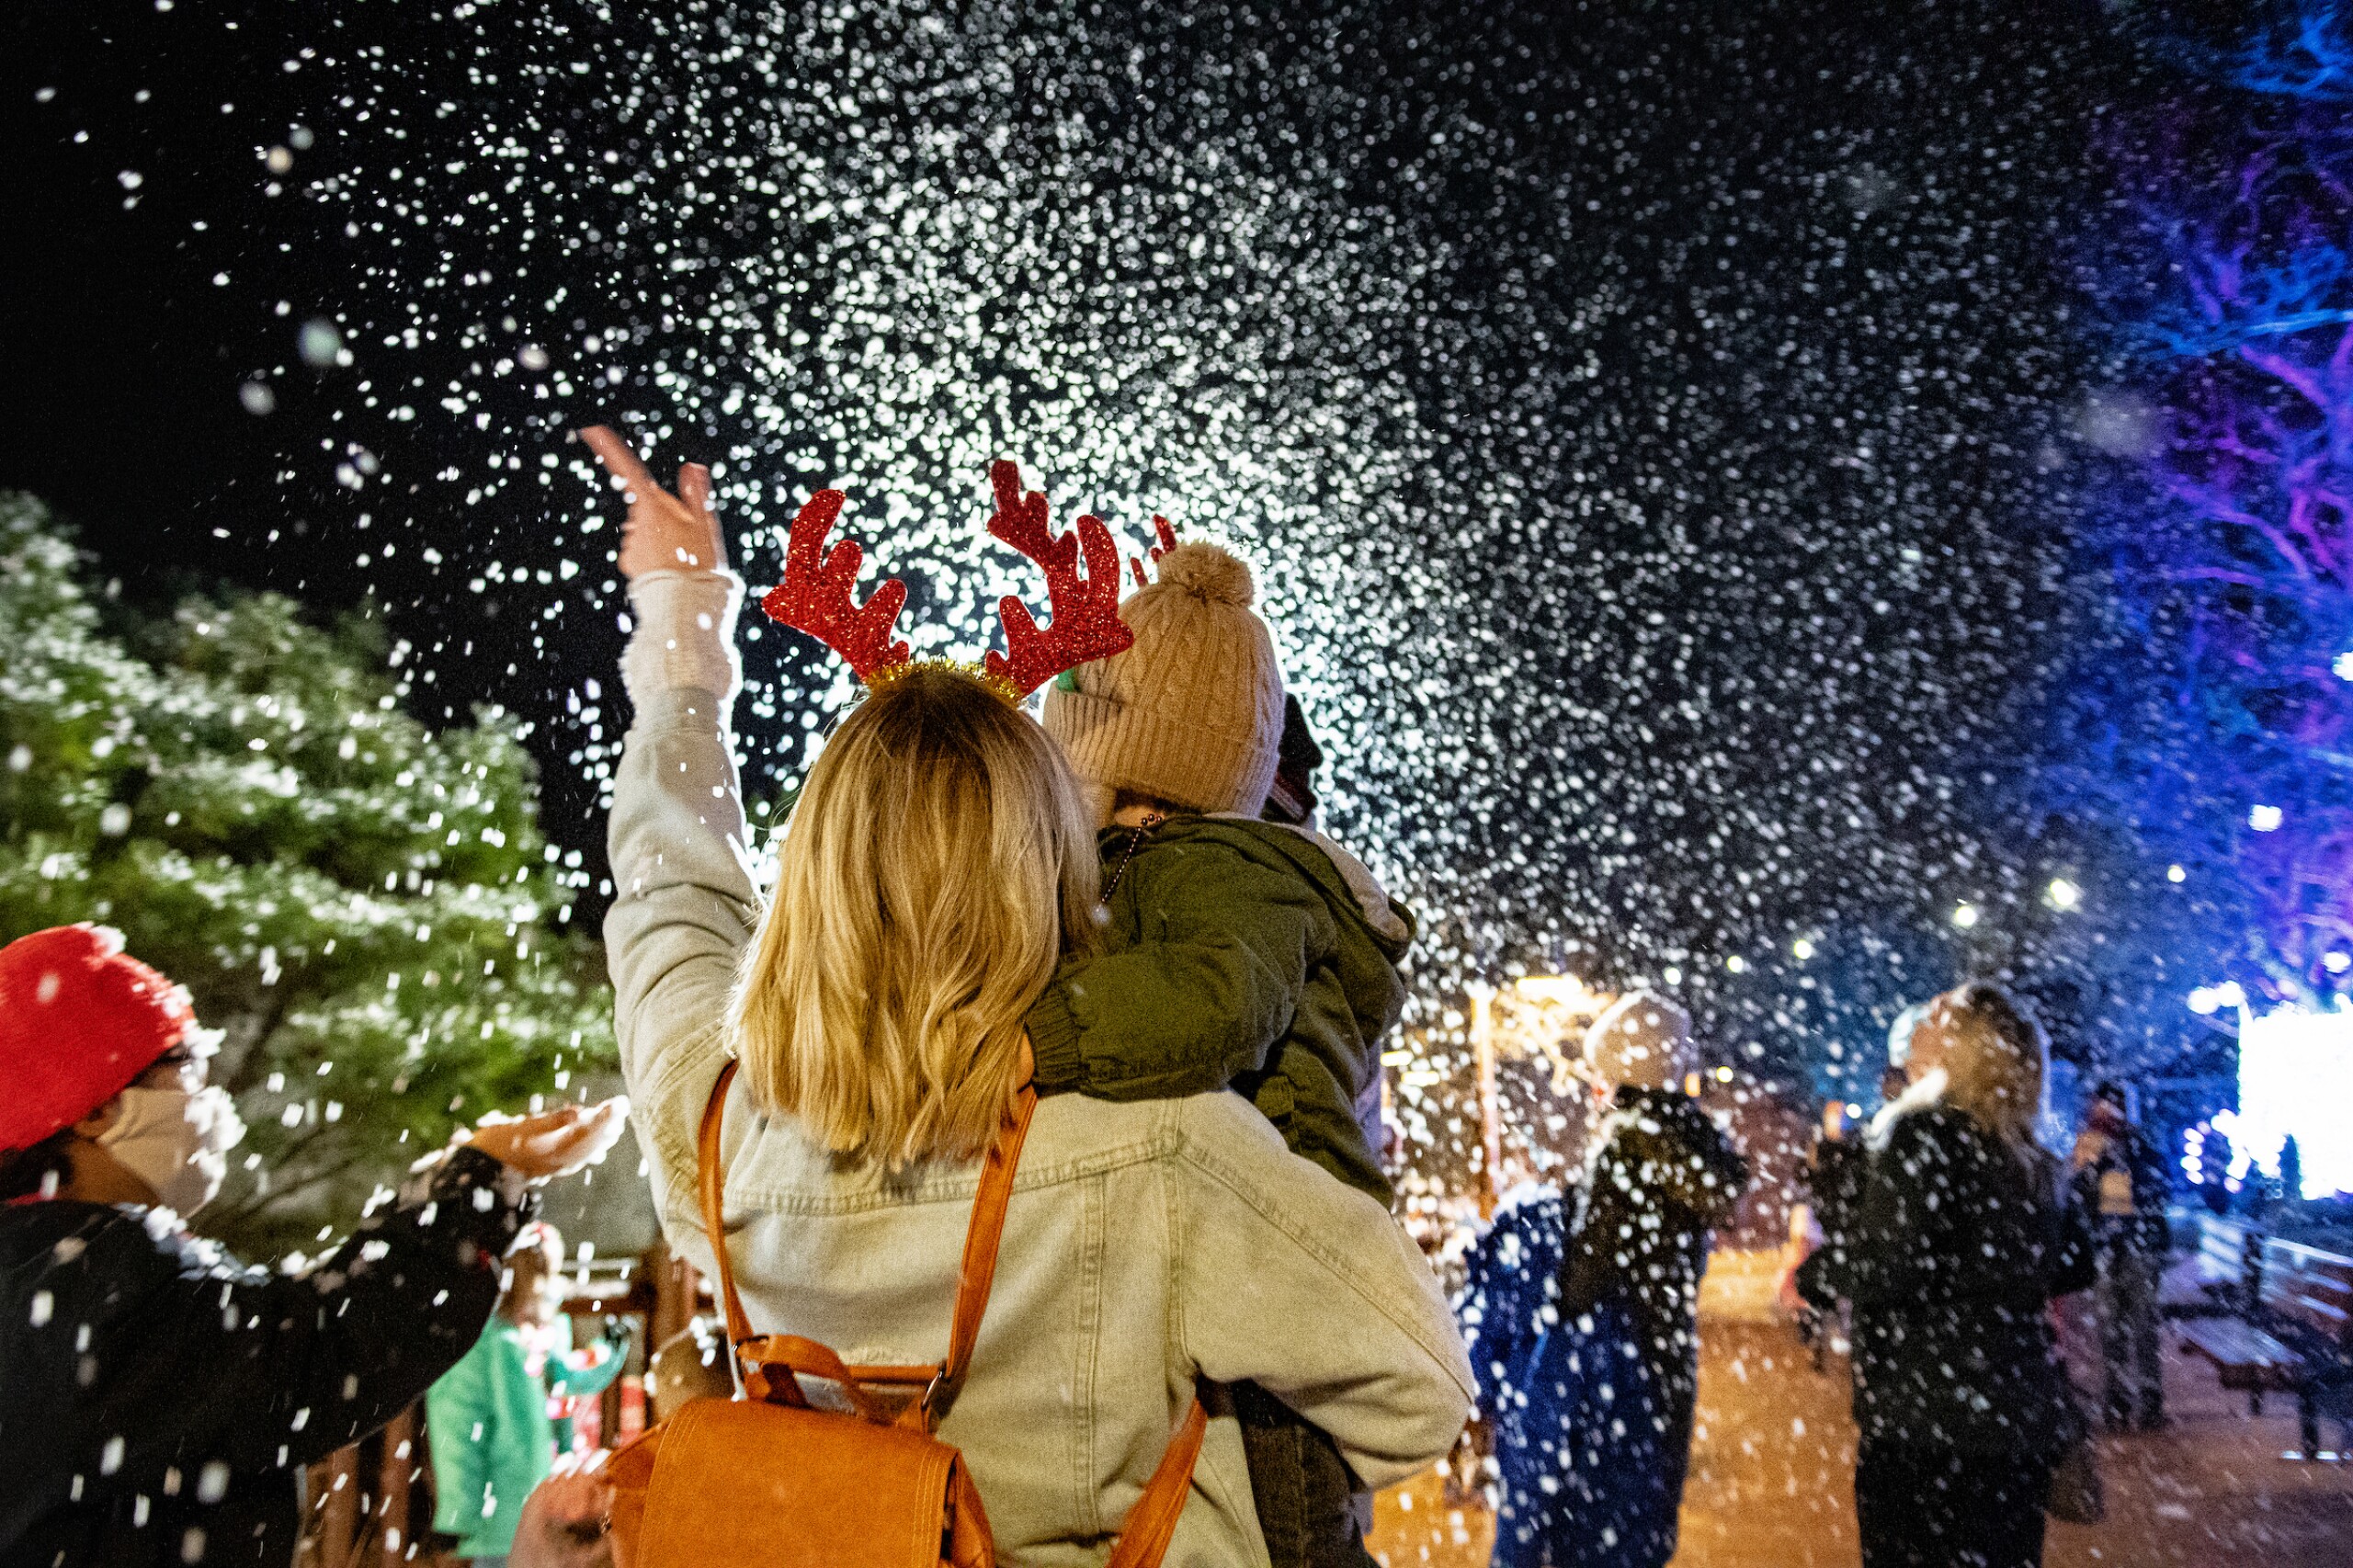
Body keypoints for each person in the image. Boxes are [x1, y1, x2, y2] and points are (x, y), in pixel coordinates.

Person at [583, 427, 1472, 1566]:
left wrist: (684, 633)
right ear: (1051, 874)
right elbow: (1421, 1395)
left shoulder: (710, 1129)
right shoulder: (1172, 1150)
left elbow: (668, 889)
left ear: (809, 880)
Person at [0, 922, 627, 1568]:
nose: (212, 1102)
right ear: (96, 1108)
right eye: (185, 1066)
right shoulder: (91, 1284)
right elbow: (323, 1345)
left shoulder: (44, 1264)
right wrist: (481, 1183)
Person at [1025, 529, 1415, 1567]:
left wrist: (1026, 1041)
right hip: (1236, 1258)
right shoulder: (1173, 864)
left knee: (1293, 1526)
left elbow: (1211, 1006)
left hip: (1286, 1265)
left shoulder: (1223, 872)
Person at [1798, 982, 2097, 1568]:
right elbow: (2072, 1263)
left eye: (1929, 1027)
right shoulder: (2028, 1151)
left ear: (1956, 1051)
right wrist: (1992, 1274)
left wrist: (1817, 1274)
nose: (1911, 1041)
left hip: (1924, 1419)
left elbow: (1892, 1264)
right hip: (2015, 1417)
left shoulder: (1923, 1136)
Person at [1457, 990, 1747, 1568]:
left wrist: (1553, 1309)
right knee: (1640, 1512)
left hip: (1612, 1365)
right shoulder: (1695, 1140)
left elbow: (1585, 1274)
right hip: (1665, 1353)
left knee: (1590, 1520)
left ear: (1616, 1075)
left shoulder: (1622, 1146)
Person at [426, 1222, 631, 1564]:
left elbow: (567, 1375)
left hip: (535, 1514)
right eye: (542, 1274)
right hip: (501, 1516)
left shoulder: (534, 1337)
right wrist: (459, 1513)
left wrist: (609, 1351)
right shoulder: (484, 1346)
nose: (548, 1288)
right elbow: (459, 1428)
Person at [2071, 1080, 2171, 1432]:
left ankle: (2148, 1399)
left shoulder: (2141, 1144)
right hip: (2107, 1247)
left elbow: (2157, 1186)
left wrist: (2118, 1166)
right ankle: (2116, 1400)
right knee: (2110, 1328)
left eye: (2111, 1107)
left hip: (2137, 1245)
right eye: (2101, 1107)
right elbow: (2079, 1197)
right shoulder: (2088, 1145)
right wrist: (2089, 1166)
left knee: (2141, 1325)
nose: (2105, 1114)